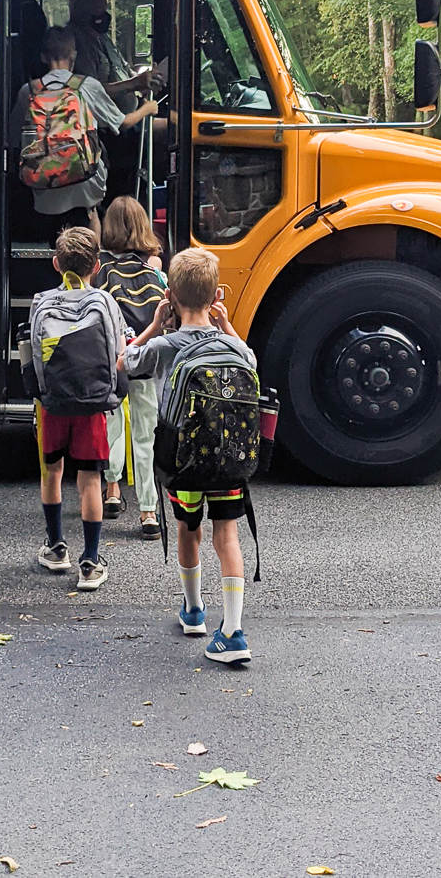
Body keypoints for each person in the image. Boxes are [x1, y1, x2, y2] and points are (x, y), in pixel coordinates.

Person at [120, 247, 256, 665]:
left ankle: (194, 610)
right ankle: (232, 632)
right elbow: (250, 360)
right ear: (216, 294)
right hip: (230, 457)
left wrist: (154, 326)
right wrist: (226, 323)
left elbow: (125, 362)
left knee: (187, 529)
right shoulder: (235, 348)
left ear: (170, 295)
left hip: (183, 460)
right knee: (227, 536)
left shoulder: (165, 343)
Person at [32, 226, 129, 591]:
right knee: (90, 480)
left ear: (56, 264)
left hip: (54, 403)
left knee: (51, 472)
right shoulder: (105, 303)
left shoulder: (43, 301)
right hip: (92, 405)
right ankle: (90, 562)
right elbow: (120, 351)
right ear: (97, 265)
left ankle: (57, 548)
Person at [9, 26, 157, 237]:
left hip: (42, 183)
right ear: (74, 55)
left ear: (43, 57)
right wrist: (146, 109)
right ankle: (92, 258)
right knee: (92, 210)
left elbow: (14, 139)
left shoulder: (28, 91)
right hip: (84, 181)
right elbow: (122, 123)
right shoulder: (86, 86)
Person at [95, 196, 167, 539]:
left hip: (115, 360)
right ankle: (148, 511)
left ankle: (111, 491)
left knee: (113, 426)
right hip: (147, 358)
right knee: (145, 434)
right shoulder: (155, 270)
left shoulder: (101, 267)